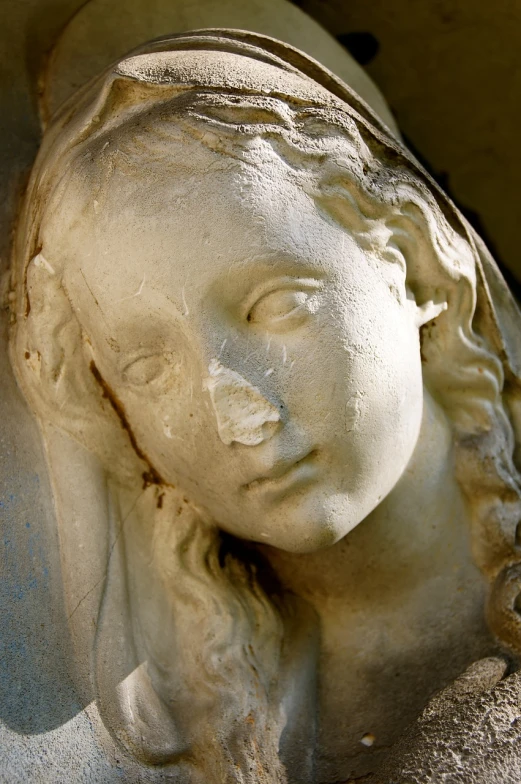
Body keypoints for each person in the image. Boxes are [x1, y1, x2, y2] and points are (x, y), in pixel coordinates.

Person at [9, 29, 521, 784]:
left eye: (277, 305)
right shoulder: (207, 729)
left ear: (410, 266)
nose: (237, 414)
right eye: (148, 366)